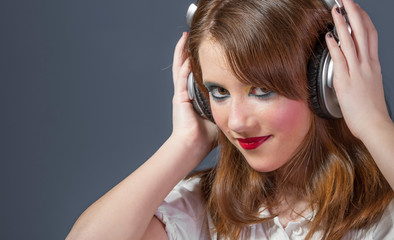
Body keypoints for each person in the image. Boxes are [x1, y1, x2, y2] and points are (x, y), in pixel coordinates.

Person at [66, 0, 394, 239]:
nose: (236, 122)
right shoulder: (201, 210)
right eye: (219, 92)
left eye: (262, 90)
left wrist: (372, 121)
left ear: (327, 86)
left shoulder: (384, 214)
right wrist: (185, 144)